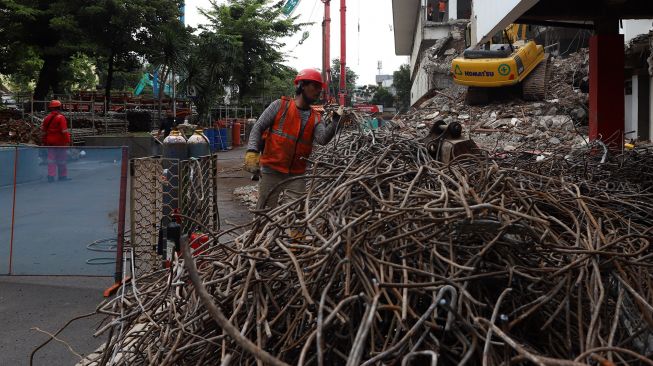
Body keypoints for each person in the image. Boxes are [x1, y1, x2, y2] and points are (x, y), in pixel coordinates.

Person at [244, 68, 343, 209]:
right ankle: (260, 231)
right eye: (315, 86)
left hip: (297, 174)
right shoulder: (279, 106)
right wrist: (252, 151)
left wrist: (336, 122)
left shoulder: (316, 117)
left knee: (295, 216)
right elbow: (258, 127)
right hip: (272, 169)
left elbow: (322, 139)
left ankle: (294, 232)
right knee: (264, 212)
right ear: (302, 85)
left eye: (320, 88)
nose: (318, 91)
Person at [41, 100, 71, 182]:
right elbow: (64, 131)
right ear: (59, 107)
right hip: (60, 142)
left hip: (50, 142)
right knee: (62, 159)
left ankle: (51, 176)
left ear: (50, 108)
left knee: (51, 160)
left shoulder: (46, 118)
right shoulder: (61, 117)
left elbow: (43, 132)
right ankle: (62, 176)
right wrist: (68, 141)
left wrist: (44, 142)